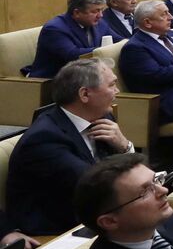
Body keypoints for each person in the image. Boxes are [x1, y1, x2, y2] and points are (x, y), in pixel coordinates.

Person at [7, 59, 140, 234]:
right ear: (84, 94)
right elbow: (94, 185)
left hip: (99, 212)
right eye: (112, 85)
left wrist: (125, 146)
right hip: (58, 231)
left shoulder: (102, 119)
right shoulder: (44, 138)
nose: (117, 91)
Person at [119, 0, 173, 123]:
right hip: (166, 98)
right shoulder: (134, 48)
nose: (171, 17)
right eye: (164, 14)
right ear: (147, 22)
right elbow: (157, 74)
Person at [28, 0, 108, 78]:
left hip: (86, 75)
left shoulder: (98, 22)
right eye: (95, 11)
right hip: (54, 81)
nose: (100, 15)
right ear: (77, 13)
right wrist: (105, 50)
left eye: (101, 10)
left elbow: (118, 39)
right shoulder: (54, 29)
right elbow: (73, 55)